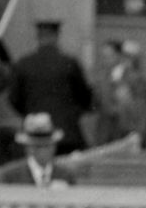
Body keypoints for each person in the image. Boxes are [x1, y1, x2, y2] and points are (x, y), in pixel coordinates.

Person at [8, 19, 93, 155]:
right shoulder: (69, 63)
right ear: (56, 36)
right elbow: (84, 96)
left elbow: (14, 98)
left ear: (38, 37)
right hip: (67, 133)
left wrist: (31, 113)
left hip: (34, 134)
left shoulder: (24, 64)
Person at [0, 112, 77, 187]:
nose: (42, 151)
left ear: (54, 146)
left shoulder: (66, 175)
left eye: (46, 145)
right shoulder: (10, 175)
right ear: (27, 148)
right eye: (37, 146)